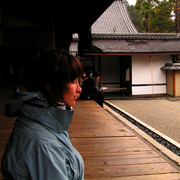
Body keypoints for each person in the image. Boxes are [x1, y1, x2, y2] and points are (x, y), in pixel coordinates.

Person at [1, 49, 84, 180]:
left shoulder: (47, 122)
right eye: (73, 81)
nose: (79, 89)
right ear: (54, 84)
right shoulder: (44, 146)